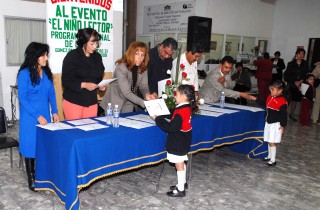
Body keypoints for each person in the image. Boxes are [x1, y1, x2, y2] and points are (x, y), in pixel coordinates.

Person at [17, 42, 59, 191]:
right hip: (30, 116)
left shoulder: (46, 73)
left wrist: (54, 111)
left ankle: (42, 174)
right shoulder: (24, 74)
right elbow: (22, 98)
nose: (46, 58)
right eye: (43, 55)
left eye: (47, 55)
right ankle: (31, 177)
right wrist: (37, 115)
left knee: (42, 144)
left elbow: (51, 94)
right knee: (30, 145)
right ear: (35, 56)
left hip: (45, 116)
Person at [152, 85, 196, 197]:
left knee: (179, 164)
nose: (174, 96)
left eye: (176, 94)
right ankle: (183, 183)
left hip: (178, 141)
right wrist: (161, 112)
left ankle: (181, 190)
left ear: (183, 95)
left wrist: (157, 119)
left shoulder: (182, 112)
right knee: (181, 162)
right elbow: (173, 113)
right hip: (183, 140)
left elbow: (171, 127)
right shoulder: (185, 107)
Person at [62, 28, 105, 120]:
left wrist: (101, 85)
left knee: (90, 131)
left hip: (92, 102)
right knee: (75, 132)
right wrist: (84, 85)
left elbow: (98, 76)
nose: (95, 47)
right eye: (92, 44)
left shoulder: (97, 57)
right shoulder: (72, 56)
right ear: (84, 42)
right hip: (74, 101)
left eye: (96, 43)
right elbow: (66, 81)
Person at [100, 41, 155, 113]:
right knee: (114, 123)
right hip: (115, 100)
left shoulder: (143, 68)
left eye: (142, 55)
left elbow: (143, 86)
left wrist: (147, 95)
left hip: (130, 100)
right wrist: (145, 103)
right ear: (131, 54)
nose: (140, 58)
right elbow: (127, 93)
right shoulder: (121, 68)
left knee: (128, 121)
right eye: (137, 54)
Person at [251, 80, 288, 167]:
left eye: (273, 89)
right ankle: (269, 156)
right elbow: (265, 104)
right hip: (268, 123)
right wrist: (256, 99)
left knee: (272, 141)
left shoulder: (282, 101)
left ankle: (273, 160)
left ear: (280, 91)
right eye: (270, 89)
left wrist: (283, 125)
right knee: (268, 140)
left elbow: (284, 115)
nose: (271, 91)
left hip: (275, 124)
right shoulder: (270, 96)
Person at [284, 48, 309, 121]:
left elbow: (306, 75)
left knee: (295, 99)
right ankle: (282, 113)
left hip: (300, 84)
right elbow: (286, 75)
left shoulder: (305, 64)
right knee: (288, 99)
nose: (301, 55)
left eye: (303, 54)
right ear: (296, 54)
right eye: (299, 53)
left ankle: (292, 114)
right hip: (291, 83)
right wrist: (294, 82)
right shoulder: (291, 64)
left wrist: (300, 82)